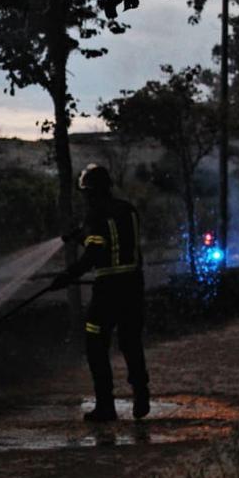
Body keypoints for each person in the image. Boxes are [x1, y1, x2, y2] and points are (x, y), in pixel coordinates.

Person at [51, 164, 150, 422]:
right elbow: (114, 241)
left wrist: (67, 276)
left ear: (90, 192)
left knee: (95, 344)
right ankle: (141, 394)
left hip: (109, 288)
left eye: (85, 193)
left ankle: (106, 406)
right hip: (134, 285)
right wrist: (82, 235)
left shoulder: (95, 215)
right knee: (131, 342)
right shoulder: (128, 210)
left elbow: (96, 254)